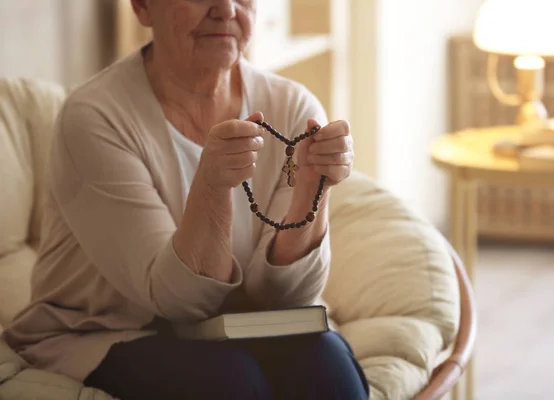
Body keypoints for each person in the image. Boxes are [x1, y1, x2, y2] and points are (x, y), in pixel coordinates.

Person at [3, 0, 369, 399]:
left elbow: (288, 296)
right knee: (230, 384)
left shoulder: (293, 106)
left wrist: (312, 189)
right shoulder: (95, 118)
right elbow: (176, 300)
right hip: (107, 331)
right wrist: (211, 187)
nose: (227, 9)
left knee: (332, 376)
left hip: (246, 322)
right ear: (143, 8)